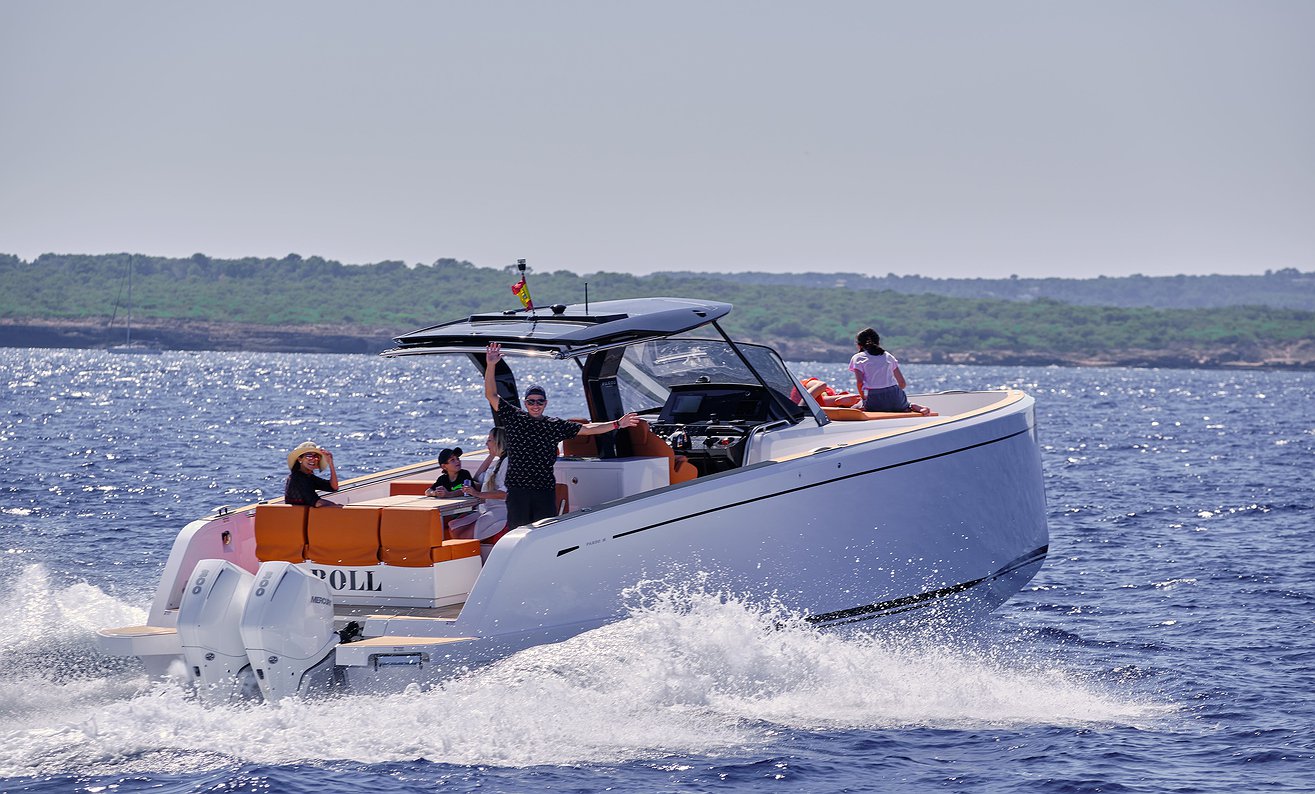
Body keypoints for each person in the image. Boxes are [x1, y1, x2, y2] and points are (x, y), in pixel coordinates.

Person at [484, 341, 641, 527]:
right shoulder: (514, 417)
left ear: (546, 403)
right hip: (518, 491)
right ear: (525, 403)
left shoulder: (554, 425)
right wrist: (491, 365)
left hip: (544, 490)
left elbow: (588, 429)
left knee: (544, 533)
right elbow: (491, 395)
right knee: (518, 532)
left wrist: (617, 424)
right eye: (531, 401)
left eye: (539, 402)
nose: (535, 405)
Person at [848, 327, 931, 415]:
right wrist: (891, 393)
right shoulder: (888, 356)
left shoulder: (858, 357)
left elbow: (860, 383)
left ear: (859, 345)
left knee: (856, 407)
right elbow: (902, 383)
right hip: (896, 398)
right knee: (905, 404)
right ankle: (911, 406)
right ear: (878, 342)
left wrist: (863, 398)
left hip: (875, 400)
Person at [447, 427, 510, 542]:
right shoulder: (498, 463)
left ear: (498, 442)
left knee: (462, 536)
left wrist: (477, 494)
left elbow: (504, 494)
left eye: (489, 440)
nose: (486, 443)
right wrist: (491, 455)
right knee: (453, 527)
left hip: (500, 512)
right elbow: (476, 478)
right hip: (486, 509)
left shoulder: (507, 463)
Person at [284, 441, 342, 507]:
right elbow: (316, 502)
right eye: (309, 456)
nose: (313, 459)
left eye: (316, 456)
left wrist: (331, 464)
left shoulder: (308, 477)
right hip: (296, 516)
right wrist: (337, 507)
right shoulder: (297, 478)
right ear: (300, 459)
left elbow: (334, 487)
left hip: (303, 515)